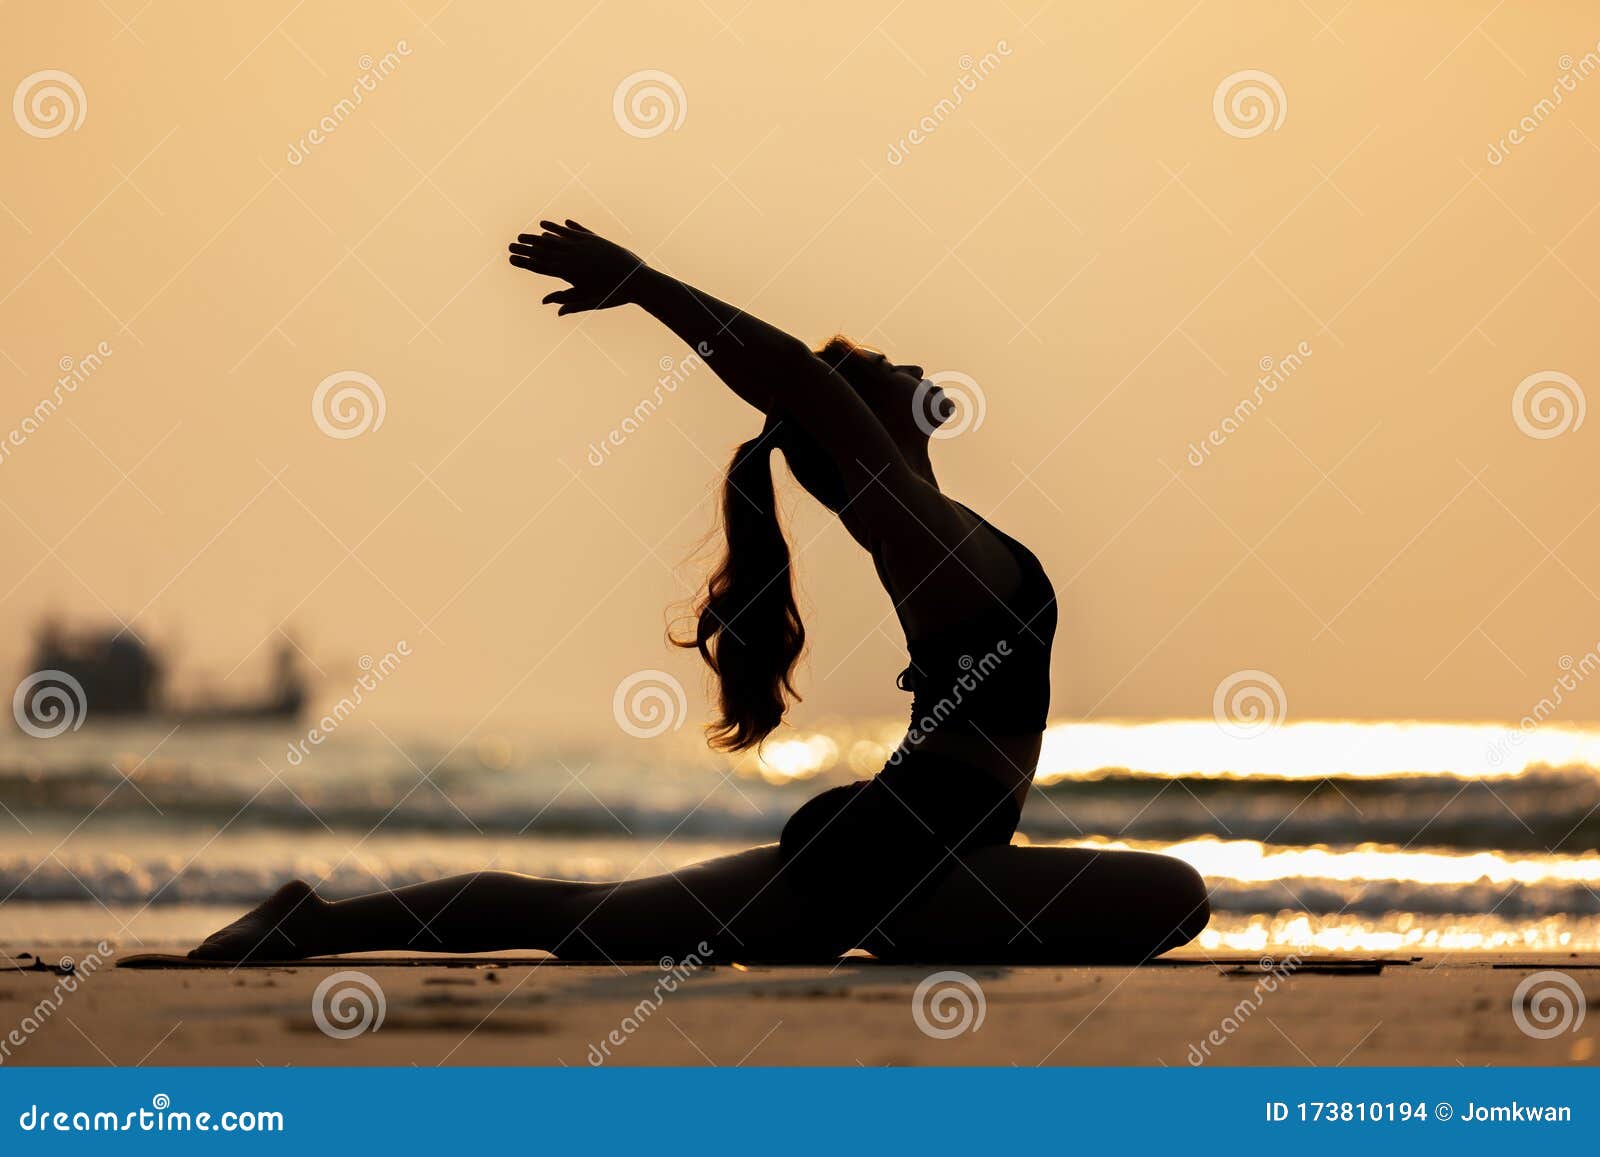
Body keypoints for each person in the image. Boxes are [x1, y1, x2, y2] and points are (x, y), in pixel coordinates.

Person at [190, 220, 1208, 964]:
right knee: (1173, 893)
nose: (906, 359)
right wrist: (643, 283)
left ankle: (316, 920)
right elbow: (794, 382)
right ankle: (313, 920)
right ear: (853, 423)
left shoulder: (931, 524)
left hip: (908, 849)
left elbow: (807, 393)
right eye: (879, 366)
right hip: (884, 856)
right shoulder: (902, 519)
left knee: (582, 916)